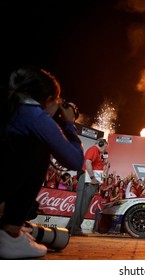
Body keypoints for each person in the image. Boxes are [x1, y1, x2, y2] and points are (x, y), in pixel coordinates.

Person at [0, 66, 84, 259]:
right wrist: (69, 124)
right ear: (48, 100)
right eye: (57, 100)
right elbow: (75, 160)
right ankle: (11, 232)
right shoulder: (33, 113)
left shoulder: (10, 105)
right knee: (37, 146)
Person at [66, 138, 108, 236]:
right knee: (82, 205)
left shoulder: (98, 153)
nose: (106, 149)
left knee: (82, 205)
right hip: (88, 180)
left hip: (89, 180)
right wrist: (93, 177)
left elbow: (98, 164)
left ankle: (71, 227)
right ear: (101, 144)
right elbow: (88, 163)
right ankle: (75, 229)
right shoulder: (93, 149)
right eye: (105, 146)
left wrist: (104, 160)